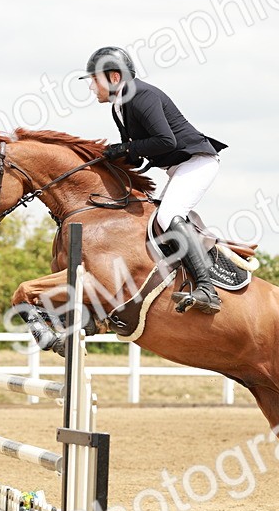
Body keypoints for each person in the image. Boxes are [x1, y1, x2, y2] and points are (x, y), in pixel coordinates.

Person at [81, 46, 228, 315]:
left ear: (114, 77)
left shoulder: (141, 96)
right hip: (178, 167)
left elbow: (165, 141)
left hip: (197, 162)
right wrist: (109, 158)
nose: (91, 87)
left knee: (168, 215)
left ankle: (208, 289)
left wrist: (126, 148)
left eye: (94, 79)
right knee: (154, 220)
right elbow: (137, 156)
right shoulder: (119, 107)